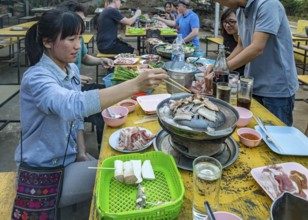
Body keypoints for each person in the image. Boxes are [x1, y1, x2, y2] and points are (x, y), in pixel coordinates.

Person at [16, 9, 168, 208]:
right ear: (47, 42)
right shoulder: (36, 78)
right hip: (43, 169)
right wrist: (135, 85)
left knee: (126, 165)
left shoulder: (71, 68)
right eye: (71, 39)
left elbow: (76, 119)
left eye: (79, 38)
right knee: (122, 177)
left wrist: (81, 151)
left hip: (68, 157)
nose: (78, 46)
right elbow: (72, 106)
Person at [206, 0, 298, 126]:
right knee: (254, 132)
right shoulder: (240, 10)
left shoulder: (268, 5)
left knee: (276, 138)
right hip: (252, 85)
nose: (220, 3)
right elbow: (242, 45)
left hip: (276, 89)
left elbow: (257, 48)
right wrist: (219, 65)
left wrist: (221, 70)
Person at [58, 1, 114, 151]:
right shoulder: (41, 75)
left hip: (76, 86)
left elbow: (84, 57)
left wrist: (101, 60)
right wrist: (73, 77)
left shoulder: (78, 39)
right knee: (103, 107)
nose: (76, 44)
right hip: (71, 92)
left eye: (82, 22)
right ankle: (104, 149)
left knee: (110, 95)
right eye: (72, 39)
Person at [220, 8, 245, 76]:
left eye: (232, 21)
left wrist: (220, 66)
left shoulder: (246, 42)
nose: (227, 25)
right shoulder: (227, 38)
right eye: (225, 22)